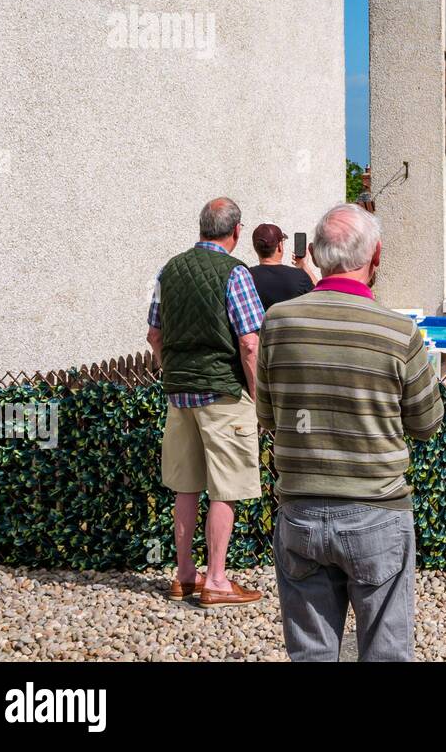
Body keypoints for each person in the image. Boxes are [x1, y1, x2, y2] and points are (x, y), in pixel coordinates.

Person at [256, 204, 445, 661]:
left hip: (300, 511)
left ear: (318, 256)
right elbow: (427, 423)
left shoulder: (278, 322)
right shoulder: (399, 332)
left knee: (310, 653)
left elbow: (268, 415)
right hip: (377, 511)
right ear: (375, 254)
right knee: (385, 649)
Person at [146, 197, 265, 607]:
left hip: (179, 395)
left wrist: (172, 372)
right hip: (223, 393)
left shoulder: (169, 270)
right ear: (236, 232)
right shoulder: (235, 273)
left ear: (201, 227)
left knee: (185, 485)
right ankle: (215, 579)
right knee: (225, 488)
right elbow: (250, 343)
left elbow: (154, 336)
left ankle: (183, 576)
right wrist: (258, 395)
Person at [248, 223, 318, 311]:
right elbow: (322, 296)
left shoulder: (246, 276)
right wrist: (304, 266)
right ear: (279, 246)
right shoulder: (299, 277)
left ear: (255, 247)